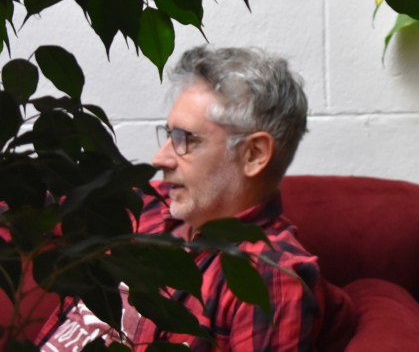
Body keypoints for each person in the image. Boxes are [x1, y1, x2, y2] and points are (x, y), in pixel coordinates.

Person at [37, 46, 325, 351]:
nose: (159, 159)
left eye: (185, 139)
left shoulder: (268, 278)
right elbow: (27, 210)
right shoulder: (149, 205)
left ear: (254, 154)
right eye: (169, 135)